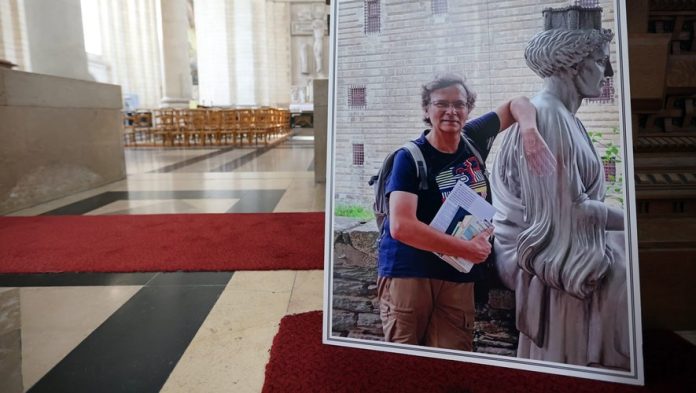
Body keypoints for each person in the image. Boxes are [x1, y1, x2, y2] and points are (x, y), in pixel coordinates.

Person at [490, 7, 630, 369]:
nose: (609, 71)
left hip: (561, 235)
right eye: (601, 61)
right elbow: (567, 213)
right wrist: (629, 220)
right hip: (535, 247)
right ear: (571, 65)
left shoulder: (561, 116)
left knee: (623, 249)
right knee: (623, 267)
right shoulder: (549, 117)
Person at [378, 74, 552, 351]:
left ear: (469, 109)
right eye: (441, 104)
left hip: (458, 274)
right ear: (426, 109)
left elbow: (518, 103)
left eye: (459, 104)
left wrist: (529, 131)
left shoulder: (474, 138)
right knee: (406, 363)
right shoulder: (409, 158)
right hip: (411, 273)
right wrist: (466, 248)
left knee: (453, 361)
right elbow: (402, 226)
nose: (451, 111)